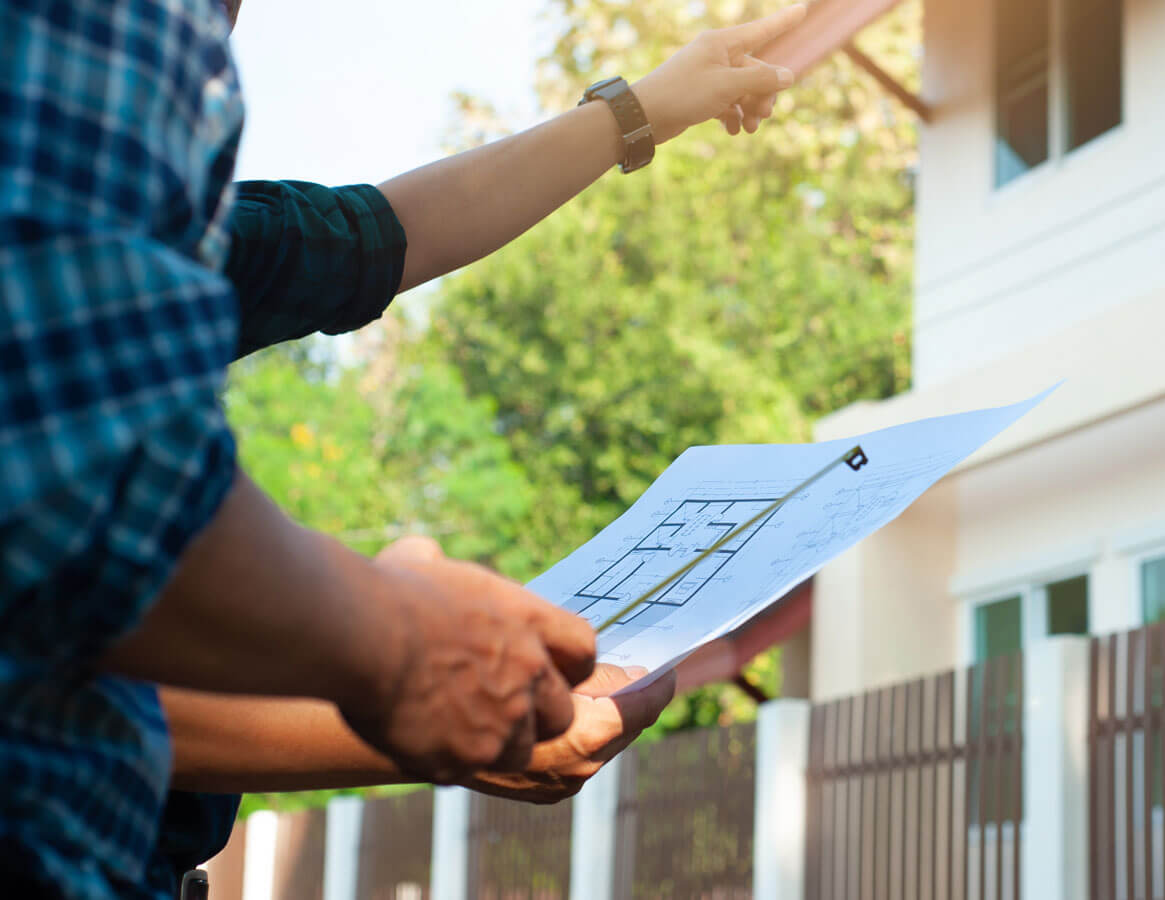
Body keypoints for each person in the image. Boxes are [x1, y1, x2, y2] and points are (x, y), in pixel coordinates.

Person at [0, 1, 801, 896]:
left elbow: (373, 236)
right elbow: (95, 530)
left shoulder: (156, 224)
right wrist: (404, 661)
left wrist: (639, 108)